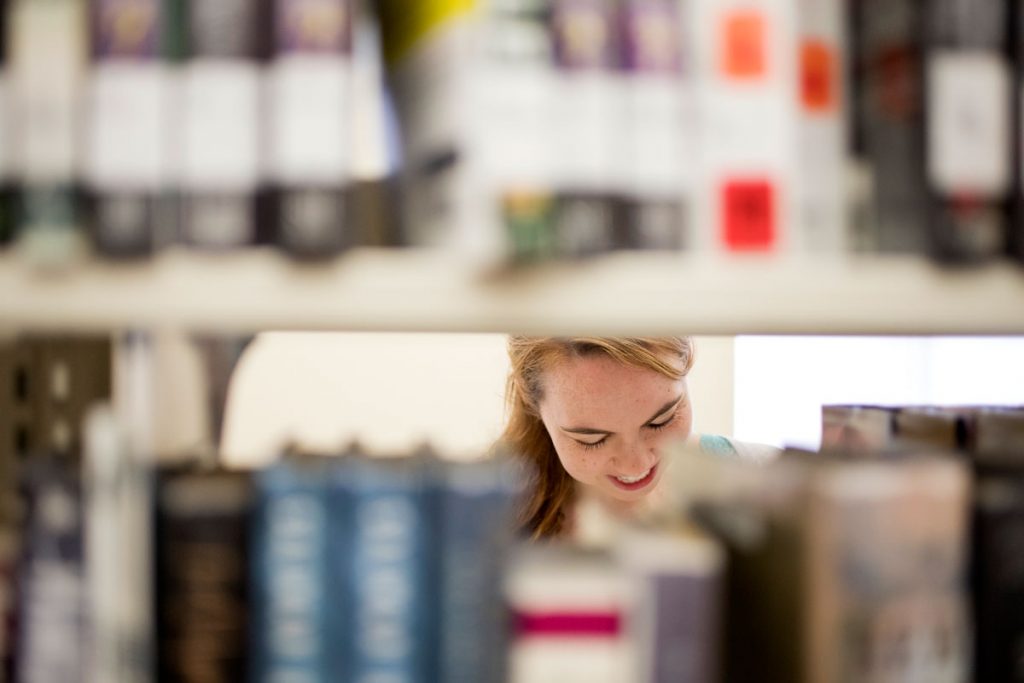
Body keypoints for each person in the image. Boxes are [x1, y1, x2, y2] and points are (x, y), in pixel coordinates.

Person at [502, 335, 773, 539]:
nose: (636, 465)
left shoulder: (769, 486)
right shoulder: (487, 520)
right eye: (592, 439)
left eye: (661, 421)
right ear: (533, 405)